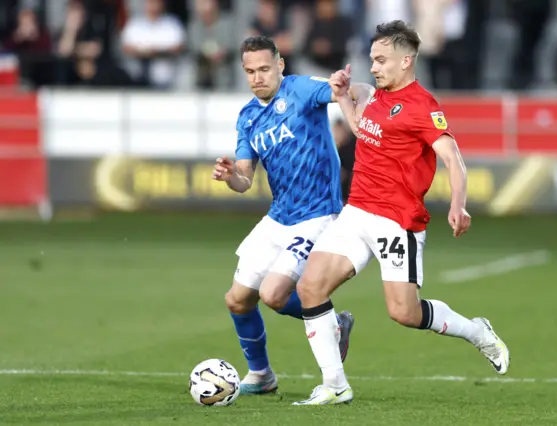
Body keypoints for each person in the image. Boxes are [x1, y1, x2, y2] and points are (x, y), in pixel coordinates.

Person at [291, 21, 510, 406]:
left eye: (381, 60)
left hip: (397, 222)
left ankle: (476, 332)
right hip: (356, 211)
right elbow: (364, 127)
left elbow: (453, 159)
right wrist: (344, 96)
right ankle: (335, 384)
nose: (373, 67)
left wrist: (458, 205)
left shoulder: (423, 107)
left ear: (406, 60)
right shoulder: (377, 97)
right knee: (310, 287)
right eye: (372, 60)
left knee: (404, 313)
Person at [212, 36, 356, 395]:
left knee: (275, 295)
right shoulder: (248, 117)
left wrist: (338, 85)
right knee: (237, 299)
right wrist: (232, 176)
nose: (257, 77)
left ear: (280, 65)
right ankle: (261, 376)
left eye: (264, 68)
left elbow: (334, 93)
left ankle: (332, 323)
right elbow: (245, 179)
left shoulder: (301, 90)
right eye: (250, 71)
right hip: (279, 216)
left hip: (319, 213)